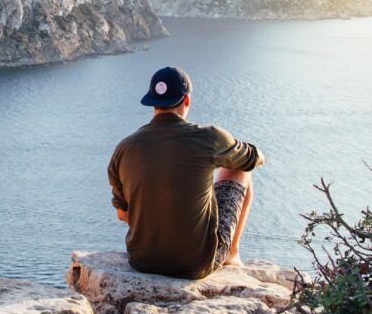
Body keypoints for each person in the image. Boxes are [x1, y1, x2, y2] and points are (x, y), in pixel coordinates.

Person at [107, 66, 264, 279]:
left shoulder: (124, 148)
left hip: (143, 261)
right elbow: (253, 159)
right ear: (186, 100)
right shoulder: (209, 138)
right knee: (240, 170)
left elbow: (123, 215)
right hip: (195, 264)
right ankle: (231, 254)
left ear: (153, 103)